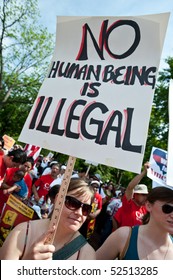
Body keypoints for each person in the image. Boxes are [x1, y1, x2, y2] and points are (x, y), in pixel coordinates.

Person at [0, 178, 96, 260]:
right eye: (73, 203)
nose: (79, 213)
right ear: (58, 199)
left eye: (85, 209)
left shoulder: (87, 256)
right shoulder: (22, 233)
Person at [96, 186, 173, 260]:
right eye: (168, 208)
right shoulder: (124, 236)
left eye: (146, 195)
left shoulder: (142, 210)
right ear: (149, 206)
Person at [112, 162, 149, 230]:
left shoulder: (145, 209)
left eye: (147, 195)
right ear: (135, 194)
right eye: (143, 194)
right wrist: (144, 172)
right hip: (123, 239)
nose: (146, 197)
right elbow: (130, 187)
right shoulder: (128, 205)